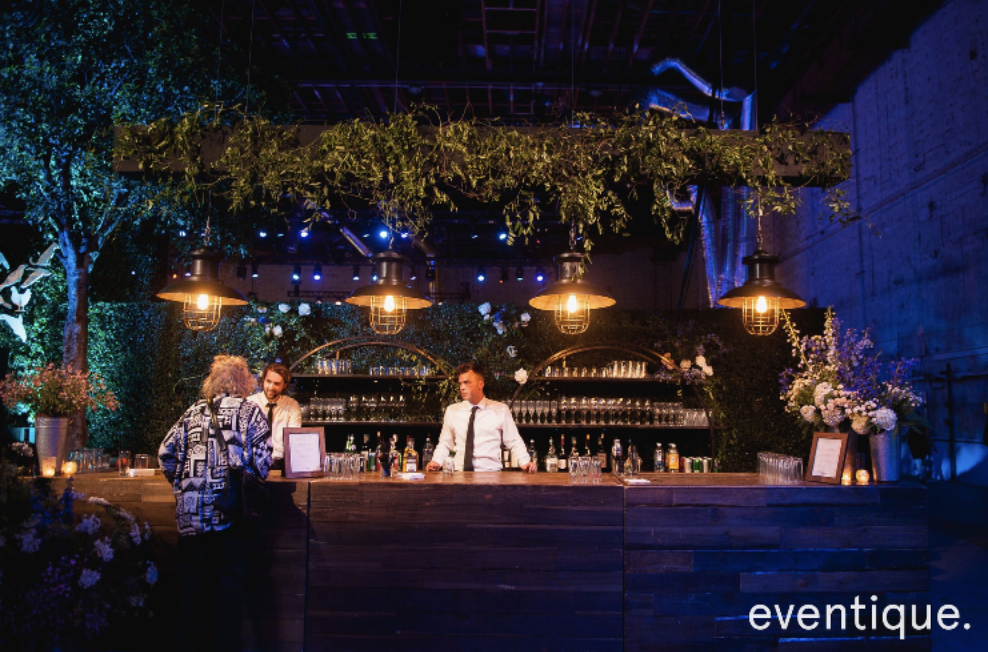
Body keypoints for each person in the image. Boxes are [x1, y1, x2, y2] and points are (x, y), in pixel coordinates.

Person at [158, 355, 272, 652]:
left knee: (190, 591)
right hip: (230, 516)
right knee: (230, 591)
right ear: (244, 382)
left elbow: (165, 454)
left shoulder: (193, 411)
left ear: (213, 381)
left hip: (192, 518)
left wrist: (184, 487)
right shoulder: (250, 412)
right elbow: (263, 463)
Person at [427, 361, 535, 473]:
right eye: (460, 383)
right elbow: (445, 443)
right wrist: (436, 461)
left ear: (480, 384)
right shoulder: (452, 411)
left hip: (490, 473)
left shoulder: (500, 410)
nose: (462, 387)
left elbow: (513, 441)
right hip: (459, 473)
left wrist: (525, 462)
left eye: (467, 382)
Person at [247, 362, 301, 471]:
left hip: (281, 464)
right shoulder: (250, 403)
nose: (271, 387)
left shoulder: (292, 405)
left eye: (276, 384)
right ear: (263, 380)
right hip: (254, 463)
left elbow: (294, 439)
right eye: (268, 381)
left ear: (284, 385)